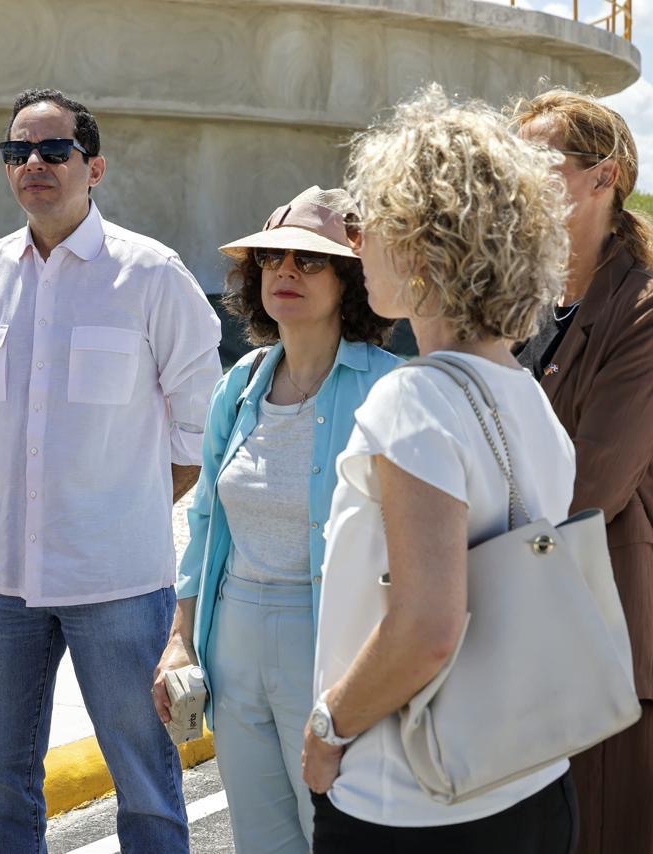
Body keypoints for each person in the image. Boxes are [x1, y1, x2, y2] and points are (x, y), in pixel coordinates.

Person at [0, 88, 222, 852]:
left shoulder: (153, 276)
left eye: (53, 150)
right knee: (2, 783)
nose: (32, 163)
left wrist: (121, 505)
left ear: (94, 167)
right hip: (1, 575)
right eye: (17, 152)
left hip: (117, 581)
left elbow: (199, 428)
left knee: (147, 784)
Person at [303, 85, 579, 852]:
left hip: (415, 798)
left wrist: (328, 729)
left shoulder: (413, 399)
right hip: (530, 779)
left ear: (424, 246)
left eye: (368, 221)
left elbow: (428, 626)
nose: (356, 243)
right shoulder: (525, 394)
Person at [153, 186, 398, 854]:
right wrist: (180, 640)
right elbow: (206, 522)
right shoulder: (240, 384)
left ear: (350, 280)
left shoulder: (391, 388)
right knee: (260, 840)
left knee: (340, 833)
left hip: (334, 641)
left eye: (309, 260)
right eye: (271, 258)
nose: (285, 271)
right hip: (233, 642)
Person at [511, 89, 653, 854]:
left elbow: (593, 486)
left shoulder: (644, 307)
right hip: (528, 619)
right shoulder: (521, 304)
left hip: (611, 630)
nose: (519, 181)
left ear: (607, 177)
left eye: (541, 163)